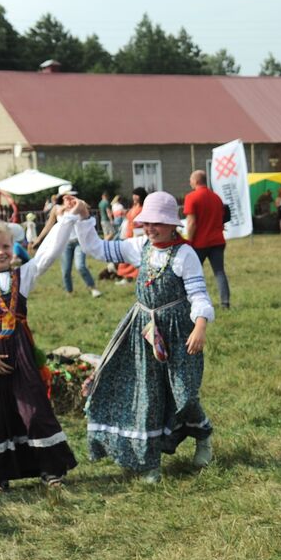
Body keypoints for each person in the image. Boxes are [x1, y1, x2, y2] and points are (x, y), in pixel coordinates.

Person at [71, 191, 214, 483]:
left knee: (182, 393)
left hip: (178, 333)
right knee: (146, 392)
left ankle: (203, 437)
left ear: (172, 224)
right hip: (142, 329)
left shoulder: (185, 254)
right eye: (147, 222)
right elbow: (97, 249)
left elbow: (199, 295)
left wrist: (200, 326)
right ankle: (149, 462)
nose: (150, 228)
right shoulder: (139, 246)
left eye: (157, 223)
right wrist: (85, 218)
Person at [0, 217, 80, 493]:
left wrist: (68, 220)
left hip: (20, 351)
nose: (1, 252)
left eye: (5, 246)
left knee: (34, 409)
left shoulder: (22, 275)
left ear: (13, 247)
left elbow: (48, 254)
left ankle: (50, 468)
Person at [183, 170, 231, 310]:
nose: (189, 182)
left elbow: (191, 223)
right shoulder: (216, 197)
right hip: (217, 241)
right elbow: (222, 217)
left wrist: (188, 241)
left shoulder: (191, 197)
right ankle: (225, 303)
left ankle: (189, 301)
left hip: (199, 243)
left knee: (191, 274)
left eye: (190, 180)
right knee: (219, 272)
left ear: (196, 181)